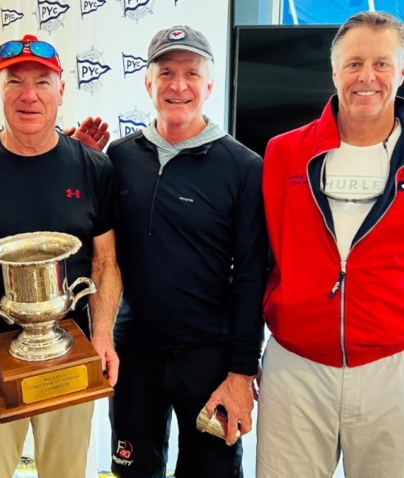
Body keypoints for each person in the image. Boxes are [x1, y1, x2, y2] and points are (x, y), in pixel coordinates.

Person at [257, 11, 404, 478]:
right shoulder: (282, 154)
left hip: (395, 371)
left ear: (403, 70)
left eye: (382, 64)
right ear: (335, 71)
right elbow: (255, 264)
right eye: (354, 63)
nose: (367, 77)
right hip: (295, 367)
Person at [0, 34, 121, 478]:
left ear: (61, 91)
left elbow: (105, 262)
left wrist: (104, 336)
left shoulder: (94, 168)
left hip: (71, 349)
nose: (29, 95)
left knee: (67, 471)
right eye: (14, 81)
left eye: (42, 82)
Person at [106, 25, 266, 478]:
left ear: (210, 84)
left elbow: (253, 275)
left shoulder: (244, 167)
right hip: (134, 354)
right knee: (134, 472)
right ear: (147, 82)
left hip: (209, 361)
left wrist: (240, 372)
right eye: (167, 72)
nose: (178, 85)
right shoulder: (118, 158)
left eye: (191, 73)